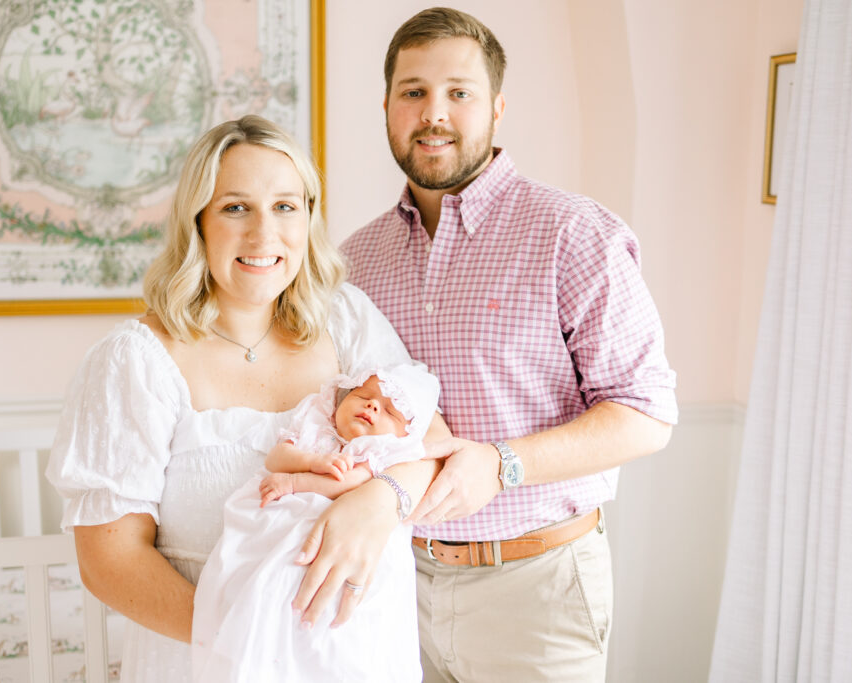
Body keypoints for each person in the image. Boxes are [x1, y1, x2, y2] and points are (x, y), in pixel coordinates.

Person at [339, 8, 679, 683]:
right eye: (413, 92)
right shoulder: (355, 260)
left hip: (539, 589)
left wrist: (502, 464)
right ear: (386, 107)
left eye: (458, 93)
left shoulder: (575, 234)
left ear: (496, 108)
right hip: (396, 585)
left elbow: (647, 415)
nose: (434, 113)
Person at [45, 115, 443, 683]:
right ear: (198, 222)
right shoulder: (135, 361)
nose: (264, 235)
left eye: (285, 206)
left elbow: (430, 440)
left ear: (308, 218)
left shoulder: (348, 321)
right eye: (236, 208)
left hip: (356, 656)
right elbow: (110, 561)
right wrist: (250, 640)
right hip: (209, 662)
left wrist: (379, 500)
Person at [192, 364, 440, 682]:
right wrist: (311, 462)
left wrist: (295, 483)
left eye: (391, 411)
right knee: (256, 572)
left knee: (305, 587)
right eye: (363, 395)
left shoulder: (380, 453)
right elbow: (276, 458)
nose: (373, 405)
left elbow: (348, 483)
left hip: (336, 522)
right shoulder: (316, 425)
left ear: (405, 433)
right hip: (274, 513)